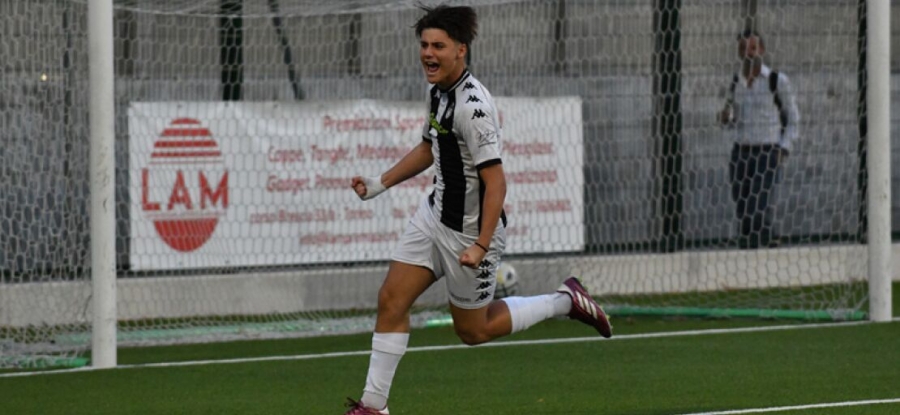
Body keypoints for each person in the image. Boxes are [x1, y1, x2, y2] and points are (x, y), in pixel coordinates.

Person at [344, 4, 612, 414]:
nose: (428, 53)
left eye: (438, 46)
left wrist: (481, 245)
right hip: (433, 216)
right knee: (391, 300)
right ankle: (373, 406)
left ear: (461, 50)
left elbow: (496, 182)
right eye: (424, 45)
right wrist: (380, 183)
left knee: (473, 331)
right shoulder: (438, 90)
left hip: (470, 234)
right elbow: (428, 147)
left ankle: (565, 301)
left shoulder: (474, 108)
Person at [718, 29, 800, 249]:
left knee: (759, 205)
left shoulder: (777, 81)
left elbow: (793, 118)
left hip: (767, 152)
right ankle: (760, 244)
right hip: (741, 153)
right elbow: (733, 120)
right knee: (742, 207)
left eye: (752, 48)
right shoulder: (736, 81)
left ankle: (761, 246)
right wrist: (726, 118)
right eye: (743, 49)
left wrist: (784, 148)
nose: (749, 53)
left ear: (761, 50)